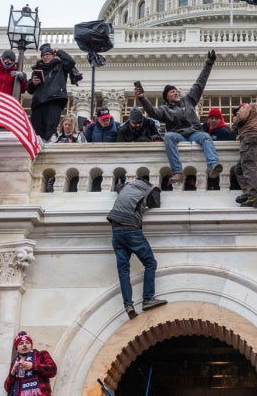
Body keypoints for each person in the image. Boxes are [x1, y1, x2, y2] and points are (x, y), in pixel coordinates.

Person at [135, 50, 223, 186]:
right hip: (178, 135)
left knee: (205, 137)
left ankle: (212, 165)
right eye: (172, 92)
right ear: (167, 97)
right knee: (168, 136)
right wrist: (142, 98)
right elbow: (152, 112)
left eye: (176, 90)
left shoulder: (188, 99)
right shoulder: (164, 109)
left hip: (194, 133)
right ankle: (177, 171)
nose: (175, 92)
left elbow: (200, 83)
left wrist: (209, 64)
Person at [106, 178, 168, 319]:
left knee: (123, 271)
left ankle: (128, 305)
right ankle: (148, 299)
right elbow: (155, 203)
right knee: (150, 263)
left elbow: (118, 187)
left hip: (116, 231)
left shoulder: (126, 187)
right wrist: (157, 189)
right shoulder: (146, 189)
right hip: (131, 230)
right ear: (148, 183)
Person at [28, 44, 79, 142]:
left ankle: (49, 147)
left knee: (50, 130)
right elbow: (29, 89)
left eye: (48, 54)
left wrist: (58, 51)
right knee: (37, 131)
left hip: (53, 100)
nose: (45, 57)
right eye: (43, 55)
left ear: (53, 55)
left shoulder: (60, 66)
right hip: (38, 104)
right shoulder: (38, 69)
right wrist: (33, 83)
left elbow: (70, 62)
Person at [229, 101, 257, 208]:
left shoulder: (247, 106)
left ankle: (254, 196)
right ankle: (248, 193)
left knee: (248, 166)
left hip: (250, 136)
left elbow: (241, 117)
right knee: (239, 169)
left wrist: (235, 120)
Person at [4, 331, 58, 396]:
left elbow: (52, 370)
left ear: (31, 346)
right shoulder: (15, 362)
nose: (24, 345)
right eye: (21, 343)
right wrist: (12, 373)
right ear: (17, 349)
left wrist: (33, 366)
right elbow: (7, 388)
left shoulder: (41, 354)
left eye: (27, 342)